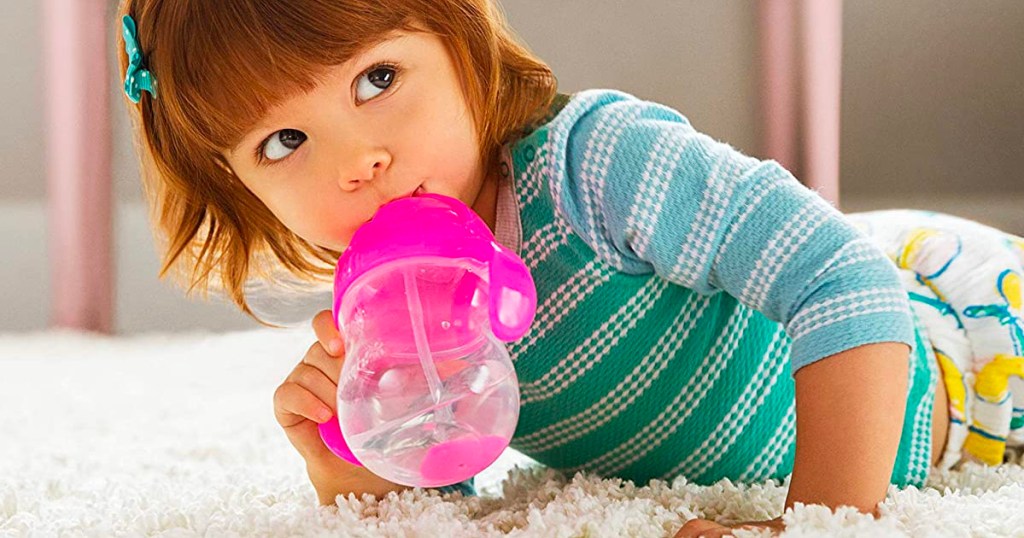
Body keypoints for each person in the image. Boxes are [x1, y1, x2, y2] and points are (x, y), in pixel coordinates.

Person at [115, 1, 1024, 535]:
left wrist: (815, 520)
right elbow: (451, 483)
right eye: (285, 141)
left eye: (377, 80)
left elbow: (845, 283)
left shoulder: (594, 167)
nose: (357, 159)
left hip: (964, 341)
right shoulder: (385, 302)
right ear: (236, 189)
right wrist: (365, 471)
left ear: (457, 38)